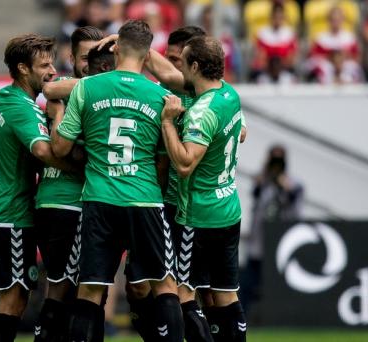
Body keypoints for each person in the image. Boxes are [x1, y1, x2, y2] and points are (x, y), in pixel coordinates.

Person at [50, 20, 183, 342]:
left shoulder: (86, 88)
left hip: (98, 198)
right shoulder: (161, 96)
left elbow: (60, 147)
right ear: (147, 53)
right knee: (165, 283)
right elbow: (164, 157)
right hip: (144, 199)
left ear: (116, 48)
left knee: (91, 288)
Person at [0, 33, 78, 342]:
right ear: (22, 69)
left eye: (52, 64)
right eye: (44, 65)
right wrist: (83, 169)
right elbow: (45, 152)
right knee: (15, 298)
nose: (51, 72)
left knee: (14, 295)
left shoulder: (7, 98)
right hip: (8, 213)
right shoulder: (21, 105)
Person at [160, 36, 247, 342]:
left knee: (183, 291)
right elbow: (243, 132)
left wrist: (169, 123)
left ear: (195, 66)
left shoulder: (201, 112)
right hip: (229, 208)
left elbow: (184, 164)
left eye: (182, 62)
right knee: (226, 294)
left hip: (198, 214)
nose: (178, 69)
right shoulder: (230, 95)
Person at [32, 25, 104, 342]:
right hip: (66, 202)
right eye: (85, 57)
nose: (90, 64)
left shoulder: (90, 91)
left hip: (70, 204)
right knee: (78, 292)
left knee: (66, 289)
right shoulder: (63, 86)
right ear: (71, 57)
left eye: (97, 56)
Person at [241, 145, 303, 315]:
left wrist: (284, 186)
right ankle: (242, 319)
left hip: (282, 244)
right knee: (248, 285)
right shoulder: (262, 182)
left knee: (280, 286)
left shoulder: (293, 183)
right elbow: (256, 199)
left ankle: (285, 317)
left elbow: (295, 208)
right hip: (258, 243)